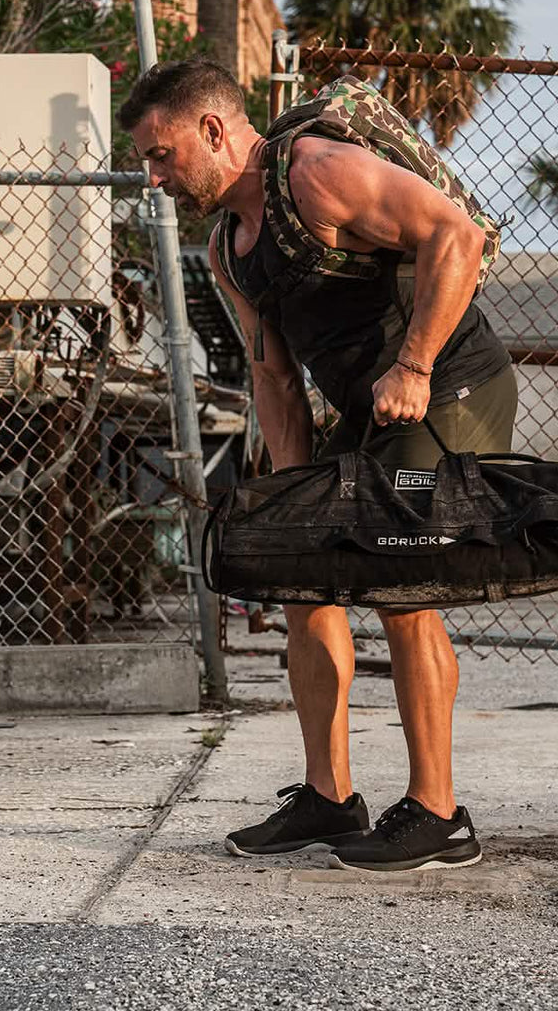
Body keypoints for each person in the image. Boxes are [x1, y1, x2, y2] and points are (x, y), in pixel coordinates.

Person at [118, 58, 518, 872]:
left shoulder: (316, 172)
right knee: (306, 576)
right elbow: (271, 374)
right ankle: (330, 799)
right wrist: (296, 487)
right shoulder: (229, 247)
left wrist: (412, 364)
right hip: (370, 411)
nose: (152, 175)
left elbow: (458, 236)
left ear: (213, 129)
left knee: (399, 582)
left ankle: (439, 813)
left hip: (449, 389)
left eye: (161, 155)